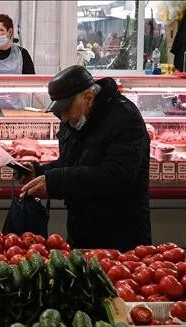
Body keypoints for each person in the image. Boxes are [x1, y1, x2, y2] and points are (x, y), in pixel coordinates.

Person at [19, 65, 151, 251]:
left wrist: (55, 181)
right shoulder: (74, 119)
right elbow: (70, 162)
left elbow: (116, 175)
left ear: (88, 97)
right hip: (81, 229)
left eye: (66, 109)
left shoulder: (125, 118)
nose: (63, 118)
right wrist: (39, 172)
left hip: (120, 236)